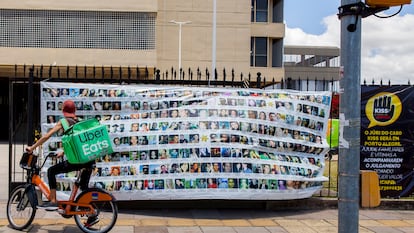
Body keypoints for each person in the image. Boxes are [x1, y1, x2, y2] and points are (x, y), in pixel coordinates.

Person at [25, 100, 100, 227]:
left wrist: (32, 148)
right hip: (88, 160)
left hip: (78, 161)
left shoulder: (63, 122)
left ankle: (53, 201)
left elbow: (46, 136)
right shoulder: (80, 122)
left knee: (51, 171)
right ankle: (92, 215)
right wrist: (63, 151)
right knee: (83, 188)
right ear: (74, 111)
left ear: (64, 111)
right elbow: (77, 142)